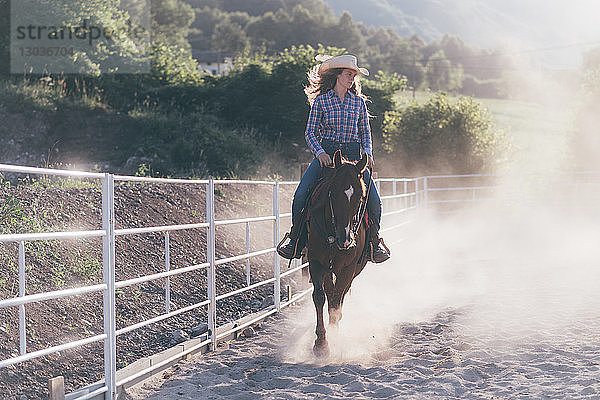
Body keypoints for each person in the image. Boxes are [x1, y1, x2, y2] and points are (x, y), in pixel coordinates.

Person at [277, 54, 390, 263]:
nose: (352, 79)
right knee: (301, 195)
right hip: (327, 156)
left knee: (375, 202)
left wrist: (368, 153)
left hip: (354, 158)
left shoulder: (359, 103)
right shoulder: (321, 101)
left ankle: (374, 243)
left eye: (354, 76)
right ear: (338, 75)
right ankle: (296, 240)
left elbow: (365, 133)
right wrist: (320, 153)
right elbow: (310, 132)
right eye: (349, 74)